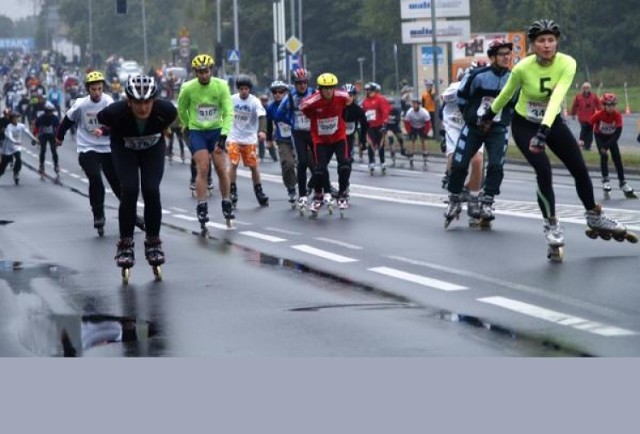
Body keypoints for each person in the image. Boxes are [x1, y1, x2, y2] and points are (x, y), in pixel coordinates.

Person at [484, 19, 635, 259]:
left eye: (551, 40)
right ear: (532, 45)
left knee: (579, 167)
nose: (546, 45)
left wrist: (545, 129)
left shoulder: (567, 63)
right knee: (544, 170)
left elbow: (557, 98)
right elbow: (506, 93)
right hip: (525, 125)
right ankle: (551, 224)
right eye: (541, 41)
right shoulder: (523, 67)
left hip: (551, 122)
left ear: (557, 43)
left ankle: (594, 215)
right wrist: (489, 115)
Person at [97, 75, 177, 276]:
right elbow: (101, 119)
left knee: (151, 189)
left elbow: (170, 122)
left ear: (155, 101)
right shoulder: (114, 113)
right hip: (124, 148)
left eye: (148, 103)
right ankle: (125, 244)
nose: (143, 108)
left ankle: (153, 241)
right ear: (128, 101)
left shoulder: (166, 111)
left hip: (152, 148)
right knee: (130, 189)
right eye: (138, 103)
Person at [56, 71, 144, 235]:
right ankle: (98, 215)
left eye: (99, 89)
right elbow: (67, 120)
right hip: (87, 147)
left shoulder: (108, 102)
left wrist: (103, 130)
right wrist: (59, 137)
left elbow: (117, 124)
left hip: (107, 148)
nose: (97, 93)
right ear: (88, 89)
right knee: (95, 179)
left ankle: (132, 216)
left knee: (119, 185)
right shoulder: (81, 104)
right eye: (93, 89)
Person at [444, 39, 515, 229]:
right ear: (492, 57)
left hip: (497, 128)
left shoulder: (513, 77)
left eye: (509, 54)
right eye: (502, 54)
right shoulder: (477, 76)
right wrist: (472, 118)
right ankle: (454, 198)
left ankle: (488, 201)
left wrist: (506, 118)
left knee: (496, 165)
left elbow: (515, 103)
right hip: (474, 127)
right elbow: (461, 97)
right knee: (459, 164)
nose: (507, 57)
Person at [177, 54, 234, 229]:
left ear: (211, 70)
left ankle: (226, 201)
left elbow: (228, 111)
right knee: (203, 168)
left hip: (216, 131)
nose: (203, 75)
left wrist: (224, 135)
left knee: (220, 168)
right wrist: (187, 125)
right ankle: (202, 205)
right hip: (197, 131)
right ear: (195, 72)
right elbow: (181, 107)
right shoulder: (187, 88)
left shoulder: (221, 85)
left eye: (206, 71)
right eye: (200, 72)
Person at [299, 73, 351, 215]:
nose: (328, 91)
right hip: (321, 140)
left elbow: (349, 101)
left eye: (330, 88)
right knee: (320, 169)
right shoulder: (313, 101)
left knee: (344, 165)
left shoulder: (341, 96)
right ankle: (318, 197)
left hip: (338, 137)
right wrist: (315, 118)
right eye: (325, 88)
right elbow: (303, 108)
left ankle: (342, 194)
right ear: (320, 89)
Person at [439, 66, 485, 213]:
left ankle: (473, 197)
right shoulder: (455, 87)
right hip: (455, 125)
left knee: (477, 161)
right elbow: (443, 99)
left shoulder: (487, 89)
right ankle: (454, 192)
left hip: (473, 126)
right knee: (454, 158)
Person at [275, 68, 319, 211]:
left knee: (317, 163)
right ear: (294, 84)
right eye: (299, 83)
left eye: (304, 82)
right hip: (298, 134)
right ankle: (302, 194)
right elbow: (278, 115)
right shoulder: (290, 98)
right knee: (302, 162)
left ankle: (316, 188)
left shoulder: (314, 94)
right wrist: (291, 121)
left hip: (313, 133)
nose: (302, 85)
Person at [227, 75, 269, 208]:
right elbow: (224, 113)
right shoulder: (232, 99)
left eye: (246, 89)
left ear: (249, 89)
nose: (244, 91)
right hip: (233, 136)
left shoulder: (255, 101)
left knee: (253, 166)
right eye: (241, 89)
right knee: (233, 163)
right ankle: (232, 191)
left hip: (249, 137)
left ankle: (259, 191)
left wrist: (262, 131)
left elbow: (262, 116)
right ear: (238, 89)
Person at [589, 93, 636, 199]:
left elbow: (618, 132)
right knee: (604, 156)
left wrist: (608, 145)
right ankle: (605, 180)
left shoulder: (617, 115)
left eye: (613, 105)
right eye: (608, 105)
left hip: (611, 138)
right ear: (604, 105)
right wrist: (583, 138)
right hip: (600, 136)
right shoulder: (599, 114)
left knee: (617, 159)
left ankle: (622, 182)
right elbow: (589, 124)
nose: (611, 108)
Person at [266, 80, 297, 206]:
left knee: (309, 162)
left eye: (281, 92)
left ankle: (319, 187)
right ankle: (291, 188)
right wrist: (269, 139)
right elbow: (269, 124)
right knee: (288, 164)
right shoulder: (271, 107)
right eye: (275, 92)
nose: (277, 94)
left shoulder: (293, 103)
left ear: (286, 92)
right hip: (283, 139)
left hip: (298, 137)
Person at [361, 82, 391, 175]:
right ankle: (371, 162)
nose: (367, 92)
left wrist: (384, 124)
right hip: (370, 126)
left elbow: (385, 111)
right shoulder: (365, 101)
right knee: (371, 144)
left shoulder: (380, 99)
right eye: (366, 91)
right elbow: (363, 112)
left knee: (380, 145)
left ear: (373, 91)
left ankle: (382, 162)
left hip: (379, 126)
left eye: (368, 91)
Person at [0, 113, 37, 185]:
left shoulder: (21, 126)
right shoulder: (9, 127)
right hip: (7, 148)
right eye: (14, 118)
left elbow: (27, 132)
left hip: (16, 147)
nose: (16, 119)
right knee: (3, 165)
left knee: (18, 159)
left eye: (17, 118)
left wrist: (34, 139)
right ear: (11, 120)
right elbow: (10, 136)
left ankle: (16, 173)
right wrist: (15, 142)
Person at [341, 83, 368, 172]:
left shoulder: (358, 110)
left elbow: (364, 126)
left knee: (347, 161)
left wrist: (363, 142)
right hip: (336, 138)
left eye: (350, 95)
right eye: (345, 95)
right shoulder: (337, 108)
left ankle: (345, 182)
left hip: (349, 137)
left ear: (354, 96)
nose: (348, 97)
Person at [570, 82, 601, 151]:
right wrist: (573, 114)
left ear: (590, 89)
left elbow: (598, 105)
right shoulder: (578, 97)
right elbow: (574, 106)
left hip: (591, 117)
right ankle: (582, 142)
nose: (586, 89)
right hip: (582, 117)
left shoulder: (594, 96)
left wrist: (600, 113)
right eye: (585, 88)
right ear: (582, 89)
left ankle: (587, 146)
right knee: (584, 129)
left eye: (587, 88)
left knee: (589, 132)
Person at [34, 101, 61, 179]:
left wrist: (58, 138)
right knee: (43, 150)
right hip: (43, 135)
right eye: (49, 111)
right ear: (46, 111)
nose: (50, 113)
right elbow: (36, 127)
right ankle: (41, 165)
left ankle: (56, 165)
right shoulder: (41, 118)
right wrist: (35, 136)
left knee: (53, 150)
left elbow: (58, 128)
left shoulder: (55, 118)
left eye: (51, 111)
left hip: (52, 135)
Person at [403, 96, 432, 169]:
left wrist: (426, 132)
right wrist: (409, 131)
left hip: (422, 126)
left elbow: (428, 123)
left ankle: (425, 153)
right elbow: (406, 123)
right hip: (413, 126)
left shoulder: (424, 112)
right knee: (412, 140)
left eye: (416, 104)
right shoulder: (409, 112)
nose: (414, 106)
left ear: (419, 105)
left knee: (423, 140)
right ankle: (411, 154)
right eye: (413, 104)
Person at [258, 93, 278, 163]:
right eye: (263, 100)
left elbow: (272, 120)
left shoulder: (269, 108)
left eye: (265, 100)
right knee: (261, 142)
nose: (264, 102)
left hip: (268, 127)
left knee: (270, 142)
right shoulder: (259, 108)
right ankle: (261, 156)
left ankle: (275, 157)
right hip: (261, 128)